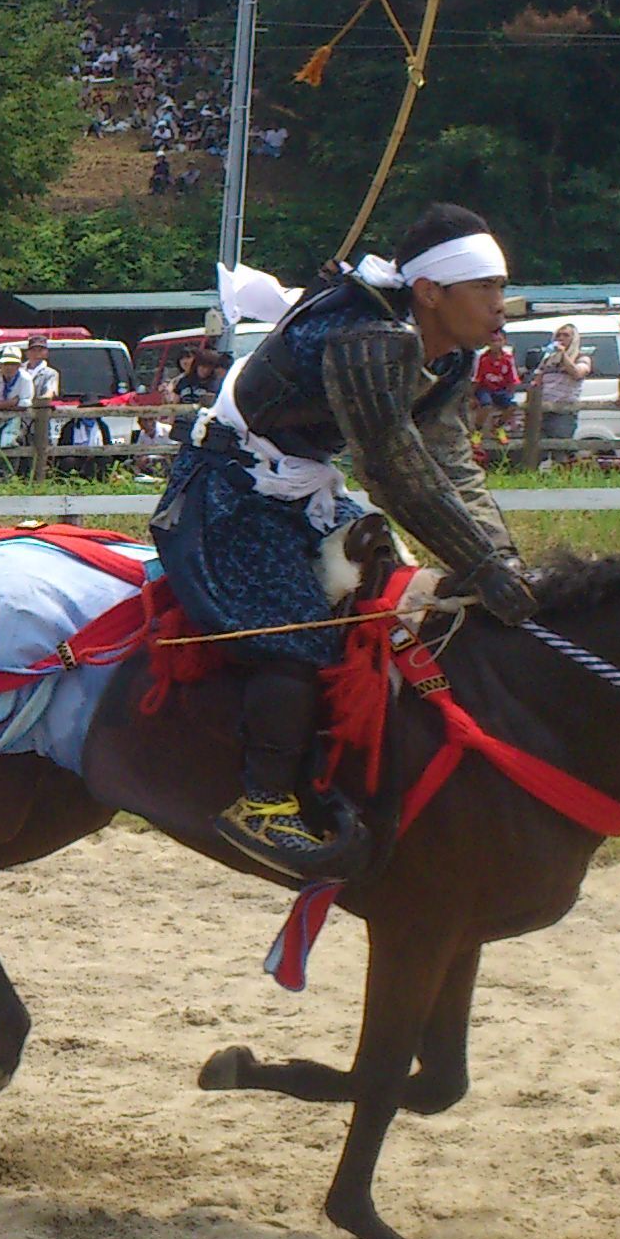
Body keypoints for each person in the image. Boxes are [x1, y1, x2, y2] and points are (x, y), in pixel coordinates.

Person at [152, 203, 531, 880]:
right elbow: (392, 468)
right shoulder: (362, 338)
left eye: (501, 287)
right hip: (230, 489)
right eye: (487, 288)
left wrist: (502, 560)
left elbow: (448, 460)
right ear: (430, 293)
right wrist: (479, 562)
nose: (502, 304)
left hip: (307, 490)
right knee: (293, 630)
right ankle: (262, 801)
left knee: (400, 613)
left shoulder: (451, 359)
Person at [529, 323, 591, 454]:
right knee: (538, 451)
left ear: (573, 339)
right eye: (558, 335)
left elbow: (577, 373)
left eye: (566, 335)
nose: (561, 338)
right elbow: (536, 381)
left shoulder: (582, 358)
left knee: (561, 452)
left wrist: (563, 355)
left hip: (563, 411)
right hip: (544, 410)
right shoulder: (547, 359)